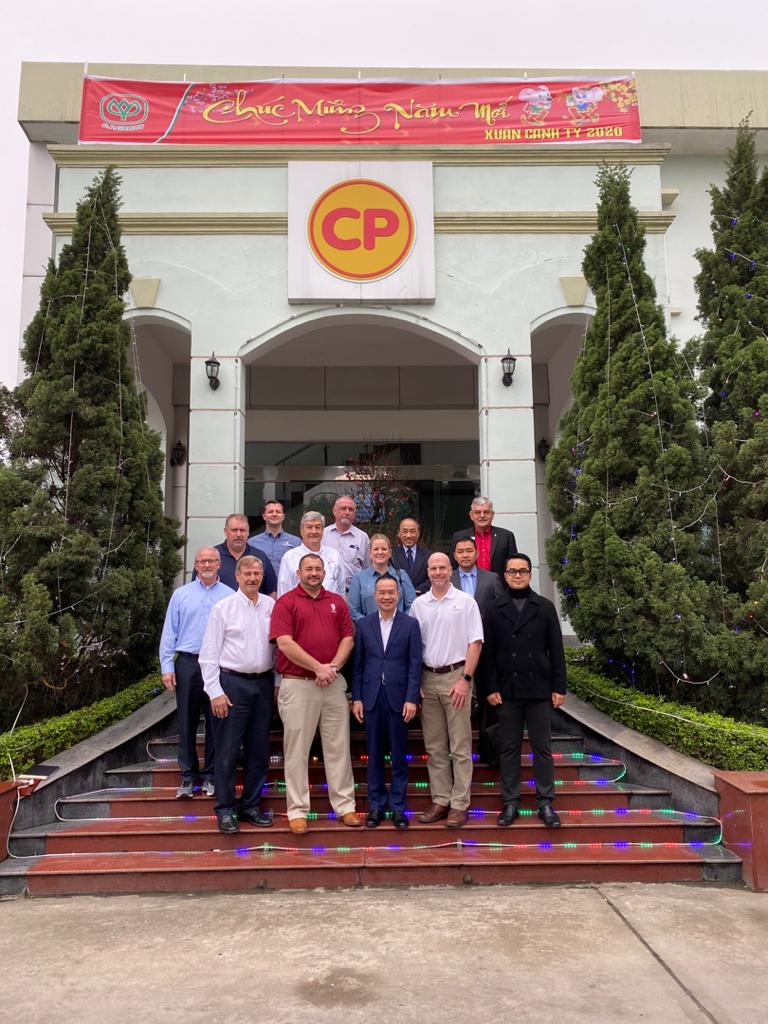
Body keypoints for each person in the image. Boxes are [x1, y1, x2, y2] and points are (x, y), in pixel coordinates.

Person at [270, 553, 362, 834]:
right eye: (308, 569)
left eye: (318, 569)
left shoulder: (336, 601)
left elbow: (349, 637)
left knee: (338, 747)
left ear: (325, 572)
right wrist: (317, 668)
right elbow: (284, 643)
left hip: (332, 683)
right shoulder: (286, 603)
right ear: (298, 573)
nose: (313, 573)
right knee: (297, 750)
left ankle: (345, 806)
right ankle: (298, 810)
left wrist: (332, 666)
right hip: (299, 684)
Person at [482, 553, 567, 829]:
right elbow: (488, 654)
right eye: (512, 571)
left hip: (539, 689)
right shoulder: (494, 609)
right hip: (507, 690)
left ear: (530, 574)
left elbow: (556, 650)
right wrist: (490, 686)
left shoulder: (544, 606)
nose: (517, 575)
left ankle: (545, 802)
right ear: (504, 576)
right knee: (509, 748)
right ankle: (510, 802)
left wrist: (559, 686)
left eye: (522, 571)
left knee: (542, 748)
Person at [198, 556, 276, 833]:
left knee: (258, 751)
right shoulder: (224, 608)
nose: (253, 578)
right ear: (238, 577)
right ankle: (226, 809)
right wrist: (215, 692)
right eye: (248, 574)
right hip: (232, 685)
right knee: (228, 751)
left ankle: (251, 806)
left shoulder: (271, 606)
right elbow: (208, 655)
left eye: (257, 574)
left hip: (263, 684)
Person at [409, 552, 484, 828]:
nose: (438, 572)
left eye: (442, 568)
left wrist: (466, 679)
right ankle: (440, 800)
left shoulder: (465, 602)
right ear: (427, 572)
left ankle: (459, 804)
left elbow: (475, 643)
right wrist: (415, 682)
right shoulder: (419, 605)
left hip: (456, 677)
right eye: (433, 568)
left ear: (450, 571)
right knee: (435, 746)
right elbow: (414, 647)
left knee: (460, 746)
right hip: (428, 680)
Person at [159, 547, 234, 799]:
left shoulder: (229, 595)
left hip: (219, 666)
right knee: (187, 722)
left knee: (217, 721)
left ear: (219, 564)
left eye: (211, 560)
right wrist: (167, 666)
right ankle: (189, 777)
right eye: (202, 561)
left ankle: (211, 775)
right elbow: (169, 632)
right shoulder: (181, 595)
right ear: (195, 564)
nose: (207, 565)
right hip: (189, 664)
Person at [351, 576, 422, 830]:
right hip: (371, 698)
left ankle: (398, 808)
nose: (386, 597)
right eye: (381, 592)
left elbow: (415, 665)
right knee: (374, 756)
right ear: (374, 595)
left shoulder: (411, 624)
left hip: (399, 698)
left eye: (391, 592)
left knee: (399, 755)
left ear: (399, 595)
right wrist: (356, 697)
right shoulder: (364, 624)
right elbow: (357, 665)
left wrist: (412, 698)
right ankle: (377, 807)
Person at [194, 513, 277, 596]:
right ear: (225, 532)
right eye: (234, 530)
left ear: (248, 532)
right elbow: (197, 588)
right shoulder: (211, 557)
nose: (238, 534)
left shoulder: (260, 556)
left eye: (242, 530)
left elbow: (271, 591)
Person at [347, 533, 416, 622]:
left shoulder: (401, 575)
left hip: (398, 630)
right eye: (376, 549)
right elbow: (353, 609)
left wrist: (401, 623)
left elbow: (412, 605)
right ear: (369, 553)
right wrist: (368, 625)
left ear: (390, 553)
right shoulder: (359, 578)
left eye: (384, 549)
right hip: (369, 632)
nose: (380, 552)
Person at [277, 510, 344, 597]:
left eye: (318, 527)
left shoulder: (334, 555)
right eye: (309, 527)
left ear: (323, 531)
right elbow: (283, 592)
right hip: (299, 609)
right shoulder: (289, 557)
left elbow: (341, 590)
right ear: (301, 531)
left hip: (330, 608)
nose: (313, 531)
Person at [451, 496, 517, 578]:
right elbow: (453, 567)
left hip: (498, 588)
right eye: (477, 512)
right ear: (471, 515)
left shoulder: (506, 536)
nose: (482, 516)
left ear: (492, 515)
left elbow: (514, 567)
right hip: (467, 587)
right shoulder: (459, 536)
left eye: (486, 512)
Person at [322, 495, 370, 591]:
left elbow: (367, 569)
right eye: (343, 508)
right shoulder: (323, 534)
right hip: (327, 592)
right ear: (334, 511)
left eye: (351, 509)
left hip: (353, 593)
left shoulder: (362, 537)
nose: (347, 512)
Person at [451, 537, 504, 617]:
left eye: (469, 551)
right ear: (455, 556)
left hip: (484, 627)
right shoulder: (448, 579)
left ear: (477, 554)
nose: (465, 555)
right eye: (460, 552)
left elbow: (501, 607)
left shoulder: (492, 578)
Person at [248, 499, 301, 576]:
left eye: (278, 512)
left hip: (287, 586)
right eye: (270, 512)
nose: (274, 514)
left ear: (283, 516)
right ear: (264, 516)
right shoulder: (252, 543)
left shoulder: (296, 542)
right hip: (261, 586)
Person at [390, 517, 431, 596]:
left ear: (418, 533)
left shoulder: (428, 555)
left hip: (422, 598)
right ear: (399, 533)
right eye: (405, 531)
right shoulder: (391, 554)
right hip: (398, 599)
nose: (408, 535)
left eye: (412, 531)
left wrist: (417, 590)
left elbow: (433, 577)